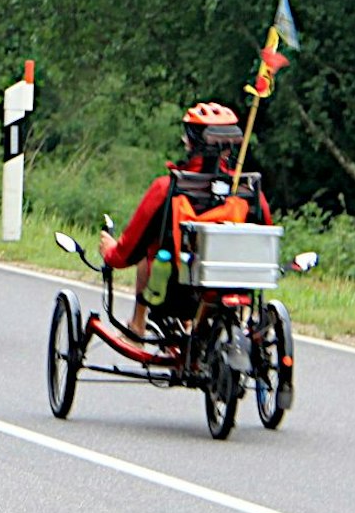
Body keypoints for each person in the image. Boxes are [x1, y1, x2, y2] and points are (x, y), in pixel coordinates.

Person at [100, 103, 270, 337]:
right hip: (235, 285)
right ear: (229, 148)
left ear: (191, 143)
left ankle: (137, 327)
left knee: (151, 249)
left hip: (177, 292)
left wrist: (110, 251)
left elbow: (130, 249)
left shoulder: (167, 189)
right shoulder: (250, 192)